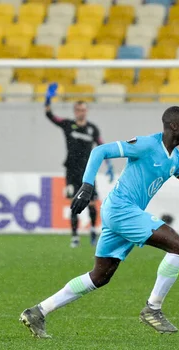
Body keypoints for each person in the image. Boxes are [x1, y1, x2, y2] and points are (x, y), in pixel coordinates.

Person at [20, 106, 179, 338]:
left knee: (100, 276)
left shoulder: (178, 159)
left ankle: (38, 312)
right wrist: (87, 184)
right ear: (174, 126)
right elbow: (99, 151)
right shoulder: (146, 145)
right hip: (121, 209)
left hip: (120, 213)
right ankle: (153, 308)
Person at [44, 83, 114, 248]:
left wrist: (109, 164)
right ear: (75, 111)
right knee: (74, 202)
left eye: (83, 109)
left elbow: (102, 146)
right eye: (78, 110)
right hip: (71, 170)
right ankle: (75, 236)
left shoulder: (92, 129)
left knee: (91, 202)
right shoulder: (67, 124)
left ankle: (93, 232)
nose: (80, 112)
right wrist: (47, 99)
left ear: (86, 111)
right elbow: (50, 116)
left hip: (88, 171)